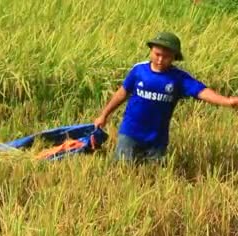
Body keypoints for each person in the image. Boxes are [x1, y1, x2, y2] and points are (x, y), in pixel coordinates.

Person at [93, 32, 238, 162]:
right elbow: (122, 93)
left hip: (157, 138)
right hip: (130, 133)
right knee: (122, 171)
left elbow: (201, 91)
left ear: (174, 57)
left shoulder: (178, 78)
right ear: (151, 51)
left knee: (153, 177)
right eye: (157, 54)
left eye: (166, 56)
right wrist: (103, 115)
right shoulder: (139, 71)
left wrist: (227, 101)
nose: (161, 60)